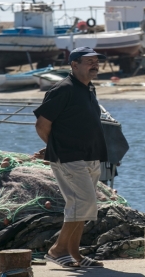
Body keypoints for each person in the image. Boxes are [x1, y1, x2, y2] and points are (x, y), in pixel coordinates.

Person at [33, 46, 106, 269]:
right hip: (69, 158)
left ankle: (75, 253)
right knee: (83, 203)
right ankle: (57, 250)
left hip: (91, 157)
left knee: (80, 207)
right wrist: (57, 148)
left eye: (96, 61)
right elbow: (42, 125)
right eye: (88, 61)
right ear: (74, 65)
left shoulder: (88, 88)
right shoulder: (63, 89)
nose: (94, 64)